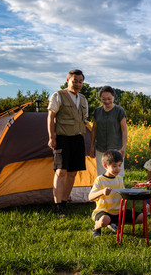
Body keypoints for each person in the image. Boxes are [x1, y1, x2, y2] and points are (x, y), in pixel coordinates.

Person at [48, 69, 88, 217]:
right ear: (67, 80)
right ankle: (57, 206)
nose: (78, 84)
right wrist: (51, 137)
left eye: (80, 81)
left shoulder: (83, 99)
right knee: (61, 171)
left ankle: (64, 203)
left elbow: (84, 120)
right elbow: (50, 116)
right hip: (62, 138)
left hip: (78, 138)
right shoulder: (58, 95)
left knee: (72, 173)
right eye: (75, 81)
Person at [88, 150, 144, 237]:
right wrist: (102, 192)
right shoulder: (100, 180)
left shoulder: (119, 178)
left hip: (119, 211)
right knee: (104, 220)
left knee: (142, 217)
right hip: (104, 212)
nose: (117, 169)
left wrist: (132, 190)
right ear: (105, 166)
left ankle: (114, 223)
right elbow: (90, 197)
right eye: (114, 166)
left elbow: (123, 194)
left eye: (119, 165)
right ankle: (97, 227)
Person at [90, 86, 128, 178]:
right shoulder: (97, 111)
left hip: (116, 147)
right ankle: (103, 191)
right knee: (102, 174)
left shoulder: (119, 111)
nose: (106, 101)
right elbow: (94, 129)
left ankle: (118, 191)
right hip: (100, 148)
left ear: (114, 97)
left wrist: (123, 146)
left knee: (118, 173)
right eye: (104, 99)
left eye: (109, 99)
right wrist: (91, 146)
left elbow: (124, 130)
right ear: (100, 98)